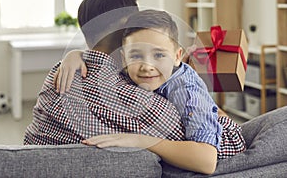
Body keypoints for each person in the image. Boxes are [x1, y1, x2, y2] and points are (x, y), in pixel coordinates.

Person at [24, 0, 220, 174]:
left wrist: (76, 53)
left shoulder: (58, 73)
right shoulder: (143, 102)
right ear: (125, 27)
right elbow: (212, 147)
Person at [81, 9, 245, 160]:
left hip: (224, 143)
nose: (147, 66)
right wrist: (76, 56)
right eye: (136, 55)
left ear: (177, 56)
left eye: (159, 55)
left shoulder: (186, 91)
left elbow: (206, 160)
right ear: (124, 58)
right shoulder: (127, 71)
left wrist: (139, 141)